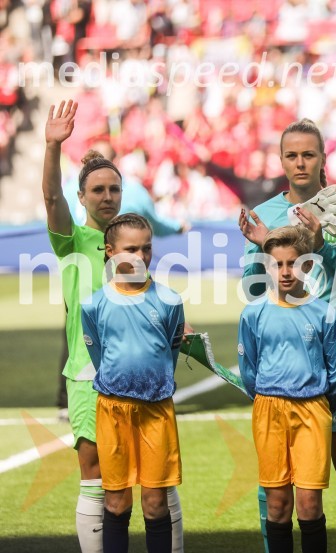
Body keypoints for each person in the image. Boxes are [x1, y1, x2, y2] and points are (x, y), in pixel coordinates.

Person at [42, 100, 184, 553]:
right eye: (98, 190)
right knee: (98, 481)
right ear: (81, 197)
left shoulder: (133, 245)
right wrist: (51, 146)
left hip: (149, 382)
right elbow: (49, 197)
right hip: (88, 378)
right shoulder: (73, 241)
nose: (107, 197)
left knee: (160, 484)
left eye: (114, 190)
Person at [239, 118, 336, 553]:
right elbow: (252, 290)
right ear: (281, 160)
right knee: (275, 475)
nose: (300, 162)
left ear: (322, 159)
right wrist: (265, 250)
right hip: (280, 358)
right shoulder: (265, 215)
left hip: (335, 351)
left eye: (308, 154)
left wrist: (322, 247)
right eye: (292, 155)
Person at [80, 214, 185, 553]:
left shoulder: (169, 301)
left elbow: (171, 349)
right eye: (131, 249)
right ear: (110, 252)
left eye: (147, 248)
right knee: (116, 501)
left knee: (155, 502)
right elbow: (98, 354)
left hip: (156, 410)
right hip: (113, 411)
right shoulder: (94, 304)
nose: (140, 257)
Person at [238, 225, 336, 553]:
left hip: (313, 410)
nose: (285, 272)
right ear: (266, 266)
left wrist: (320, 405)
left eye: (293, 263)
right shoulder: (253, 313)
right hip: (269, 410)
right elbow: (249, 370)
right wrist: (265, 399)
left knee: (310, 504)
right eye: (277, 264)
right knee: (278, 504)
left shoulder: (322, 313)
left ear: (308, 265)